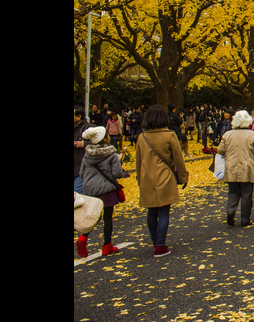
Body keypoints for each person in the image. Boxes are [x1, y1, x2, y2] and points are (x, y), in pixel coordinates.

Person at [135, 105, 189, 258]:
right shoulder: (169, 135)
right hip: (164, 176)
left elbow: (138, 161)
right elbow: (179, 159)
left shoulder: (142, 137)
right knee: (164, 211)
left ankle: (155, 242)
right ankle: (160, 245)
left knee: (151, 211)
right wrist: (183, 177)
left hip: (147, 177)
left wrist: (139, 179)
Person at [78, 126, 130, 258]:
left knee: (94, 215)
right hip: (106, 189)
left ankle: (83, 237)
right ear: (105, 138)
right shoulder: (111, 154)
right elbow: (117, 173)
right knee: (107, 217)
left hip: (90, 189)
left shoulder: (88, 154)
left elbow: (82, 173)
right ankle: (107, 245)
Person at [218, 110, 254, 227]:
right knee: (247, 194)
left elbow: (220, 150)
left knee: (233, 192)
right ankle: (245, 218)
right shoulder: (252, 135)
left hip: (231, 167)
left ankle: (231, 211)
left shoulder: (227, 135)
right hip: (247, 168)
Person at [74, 107, 92, 193]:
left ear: (79, 117)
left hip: (81, 169)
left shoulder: (89, 128)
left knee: (77, 193)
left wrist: (84, 144)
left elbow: (103, 141)